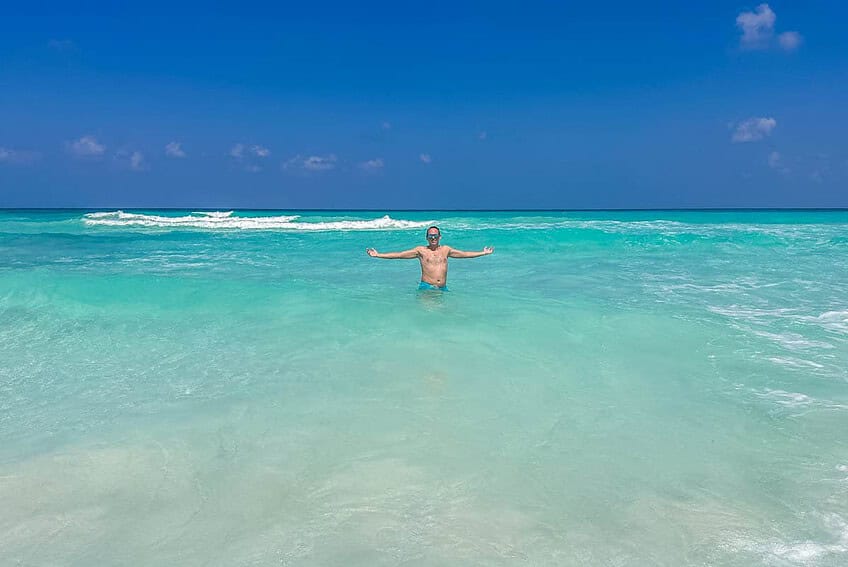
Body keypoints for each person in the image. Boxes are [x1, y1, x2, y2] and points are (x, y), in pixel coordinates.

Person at [366, 226, 494, 290]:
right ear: (427, 238)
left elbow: (465, 254)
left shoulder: (446, 250)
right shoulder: (420, 251)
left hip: (442, 288)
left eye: (435, 236)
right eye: (431, 236)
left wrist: (483, 253)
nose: (433, 238)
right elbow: (399, 255)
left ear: (440, 237)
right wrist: (378, 255)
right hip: (427, 288)